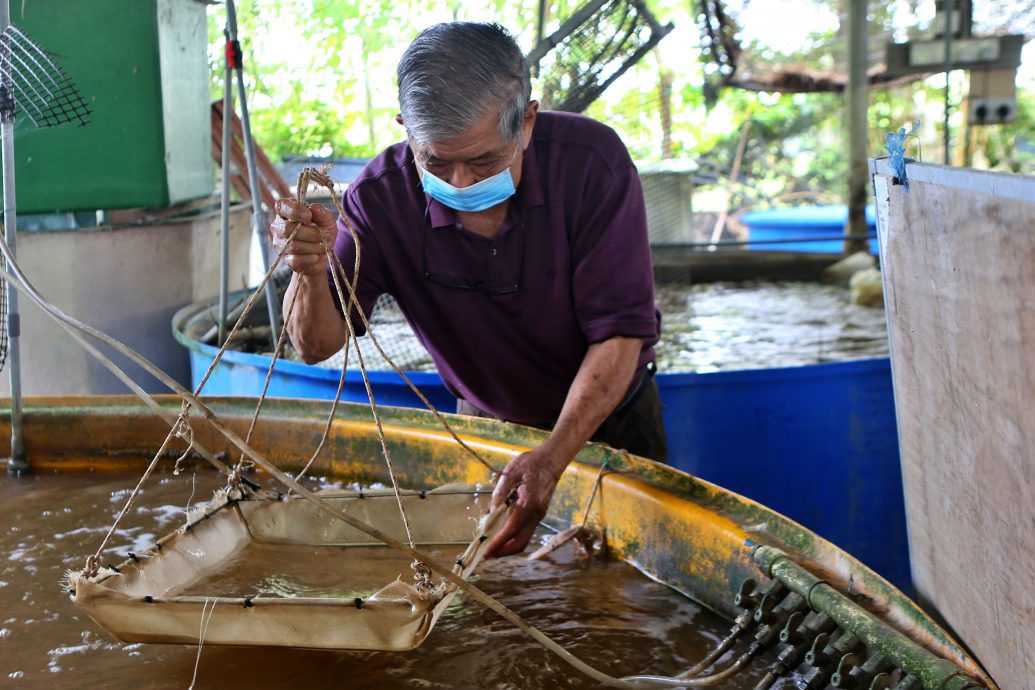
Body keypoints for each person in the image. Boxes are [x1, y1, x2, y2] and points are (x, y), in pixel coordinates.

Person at [271, 21, 666, 558]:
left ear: (527, 123)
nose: (460, 183)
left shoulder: (590, 163)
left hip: (612, 417)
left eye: (482, 161)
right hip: (486, 427)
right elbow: (315, 345)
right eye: (435, 161)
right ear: (406, 131)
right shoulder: (380, 198)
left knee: (626, 586)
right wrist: (308, 268)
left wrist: (552, 458)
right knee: (493, 589)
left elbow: (620, 336)